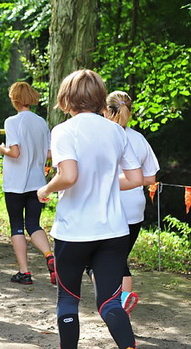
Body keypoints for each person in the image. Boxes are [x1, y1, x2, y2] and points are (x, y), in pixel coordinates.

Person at [37, 69, 142, 349]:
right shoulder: (116, 131)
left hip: (74, 231)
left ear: (65, 99)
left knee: (68, 298)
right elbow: (135, 179)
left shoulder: (63, 131)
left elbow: (69, 176)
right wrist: (103, 182)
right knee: (109, 302)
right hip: (113, 231)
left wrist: (46, 189)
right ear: (98, 97)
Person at [104, 90, 159, 313]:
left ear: (106, 110)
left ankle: (117, 301)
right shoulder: (139, 138)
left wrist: (109, 182)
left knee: (102, 258)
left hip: (108, 205)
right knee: (120, 257)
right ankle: (123, 301)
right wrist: (129, 181)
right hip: (135, 207)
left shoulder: (103, 135)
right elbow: (150, 178)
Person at [0, 82, 55, 285]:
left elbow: (15, 152)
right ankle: (49, 255)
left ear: (14, 99)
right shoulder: (41, 122)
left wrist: (2, 148)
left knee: (17, 226)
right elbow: (49, 153)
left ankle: (24, 272)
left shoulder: (12, 121)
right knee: (33, 223)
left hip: (15, 183)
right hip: (37, 182)